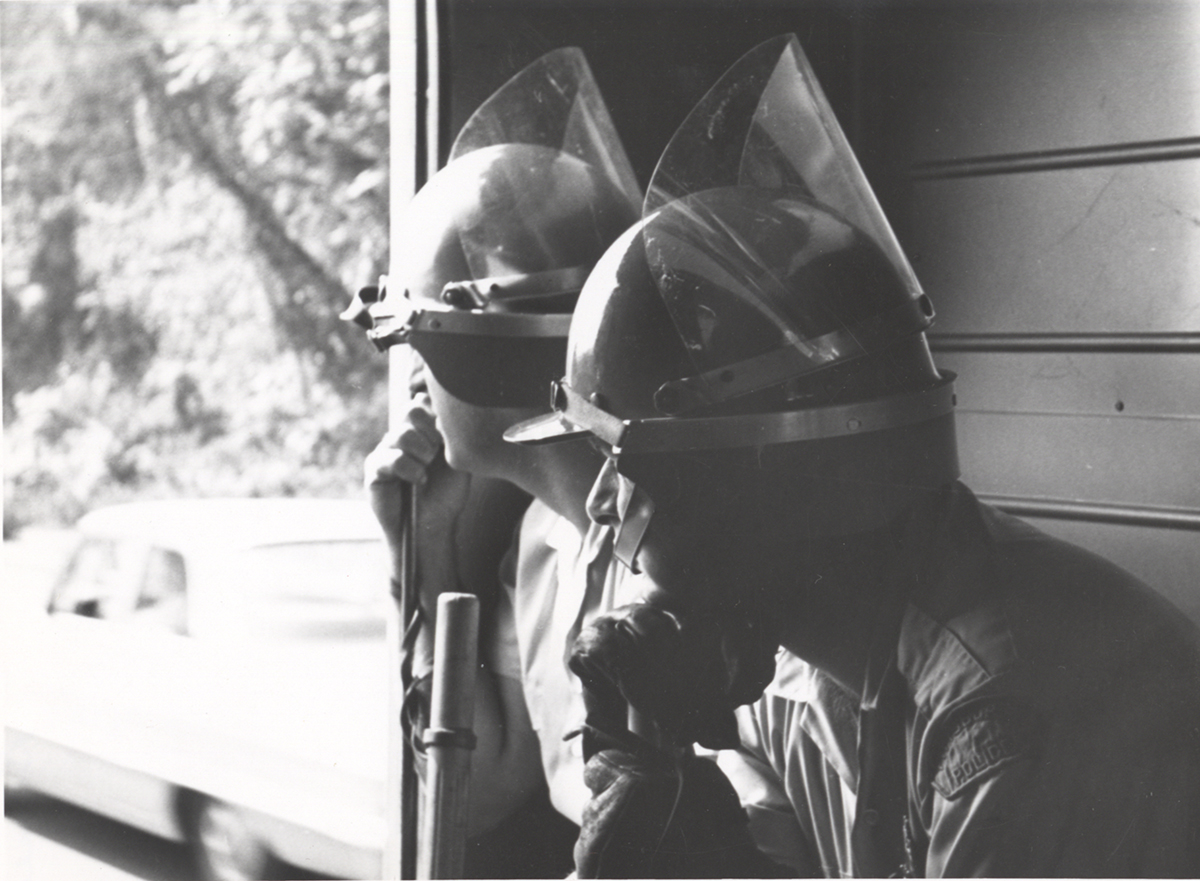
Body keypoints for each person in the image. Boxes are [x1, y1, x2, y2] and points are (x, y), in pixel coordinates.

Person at [507, 34, 1200, 877]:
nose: (606, 506)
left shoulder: (1001, 717)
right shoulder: (813, 654)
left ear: (744, 488)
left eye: (624, 464)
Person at [355, 47, 651, 875]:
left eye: (422, 344)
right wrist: (424, 556)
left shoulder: (680, 553)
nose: (415, 377)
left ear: (487, 354)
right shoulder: (541, 542)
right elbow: (478, 789)